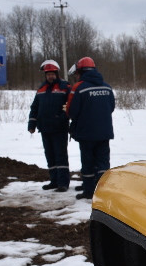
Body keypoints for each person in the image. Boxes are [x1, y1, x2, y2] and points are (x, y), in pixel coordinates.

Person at [66, 56, 115, 200]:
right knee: (103, 163)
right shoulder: (106, 86)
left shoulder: (78, 88)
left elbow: (71, 111)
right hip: (104, 132)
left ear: (80, 72)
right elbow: (111, 107)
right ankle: (103, 191)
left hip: (86, 134)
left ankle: (88, 190)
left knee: (88, 163)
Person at [28, 60, 71, 191]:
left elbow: (69, 105)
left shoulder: (65, 87)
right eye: (48, 74)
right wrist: (32, 124)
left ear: (56, 74)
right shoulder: (41, 88)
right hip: (44, 128)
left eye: (52, 74)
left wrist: (62, 118)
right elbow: (35, 107)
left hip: (59, 128)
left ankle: (63, 182)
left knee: (60, 155)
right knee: (50, 155)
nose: (50, 76)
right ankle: (54, 181)